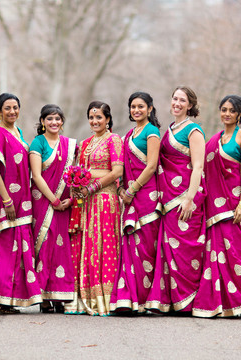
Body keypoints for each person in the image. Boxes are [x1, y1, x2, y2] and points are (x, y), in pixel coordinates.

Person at [192, 94, 241, 317]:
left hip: (236, 200)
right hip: (214, 205)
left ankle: (237, 300)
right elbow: (202, 169)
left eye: (231, 111)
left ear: (239, 114)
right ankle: (217, 302)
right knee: (215, 253)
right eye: (223, 109)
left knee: (236, 251)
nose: (226, 114)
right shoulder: (213, 141)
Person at [0, 93, 42, 313]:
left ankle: (13, 298)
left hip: (23, 200)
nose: (12, 111)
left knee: (19, 251)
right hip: (5, 201)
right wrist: (6, 200)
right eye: (7, 108)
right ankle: (1, 298)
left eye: (15, 107)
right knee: (3, 250)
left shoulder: (18, 132)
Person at [145, 86, 206, 313]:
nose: (177, 103)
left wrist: (190, 198)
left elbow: (198, 165)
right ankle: (170, 300)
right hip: (167, 198)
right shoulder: (169, 128)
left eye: (182, 100)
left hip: (185, 198)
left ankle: (188, 302)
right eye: (174, 99)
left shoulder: (194, 130)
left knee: (185, 250)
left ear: (190, 105)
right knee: (168, 248)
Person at [65, 101, 124, 316]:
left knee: (104, 245)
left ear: (108, 119)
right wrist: (79, 187)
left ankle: (106, 300)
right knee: (87, 245)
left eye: (99, 117)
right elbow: (78, 172)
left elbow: (117, 171)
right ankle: (86, 297)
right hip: (86, 202)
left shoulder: (114, 140)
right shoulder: (85, 143)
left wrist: (93, 183)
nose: (94, 121)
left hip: (105, 200)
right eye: (91, 117)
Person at [110, 92, 161, 313]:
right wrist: (122, 188)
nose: (136, 110)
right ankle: (129, 299)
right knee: (130, 246)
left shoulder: (152, 132)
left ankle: (146, 299)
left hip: (147, 196)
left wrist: (132, 189)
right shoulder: (129, 134)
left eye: (141, 106)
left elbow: (151, 166)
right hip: (129, 197)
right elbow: (122, 165)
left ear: (150, 109)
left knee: (146, 246)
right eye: (133, 107)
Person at [29, 104, 76, 313]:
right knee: (45, 242)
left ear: (62, 122)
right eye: (49, 119)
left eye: (57, 119)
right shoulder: (38, 143)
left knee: (63, 244)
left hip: (66, 201)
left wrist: (72, 198)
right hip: (44, 201)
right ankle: (44, 295)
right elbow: (37, 176)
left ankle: (61, 295)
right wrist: (54, 201)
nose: (54, 122)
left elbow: (75, 173)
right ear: (42, 122)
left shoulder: (70, 145)